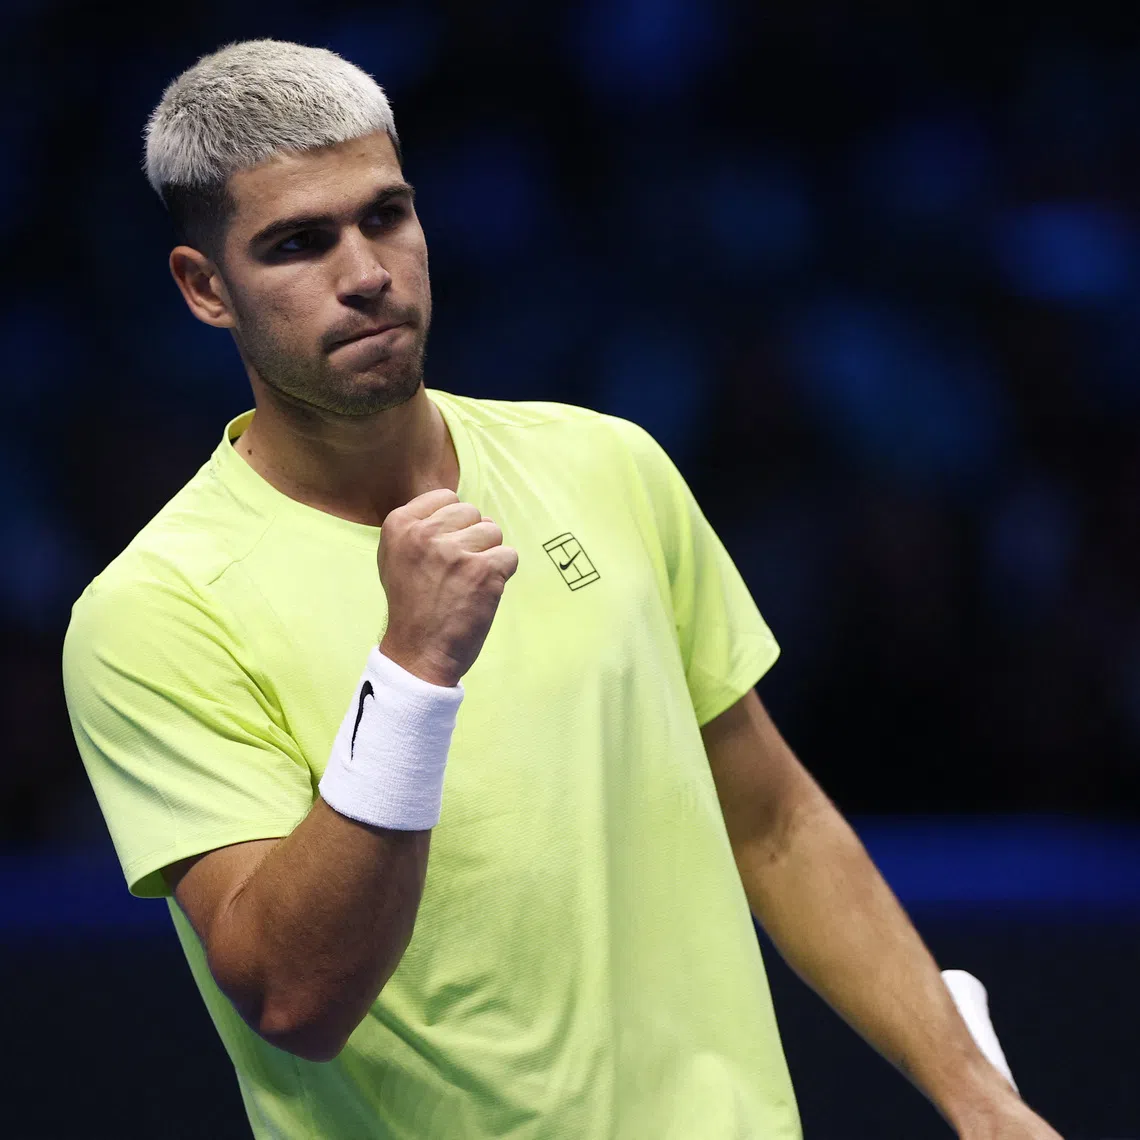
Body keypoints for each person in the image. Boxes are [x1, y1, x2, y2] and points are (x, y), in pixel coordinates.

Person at [62, 38, 1063, 1140]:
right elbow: (294, 999)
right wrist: (411, 673)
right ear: (206, 288)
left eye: (385, 216)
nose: (365, 273)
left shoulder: (608, 464)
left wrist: (978, 1097)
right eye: (298, 244)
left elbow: (772, 818)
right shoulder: (153, 611)